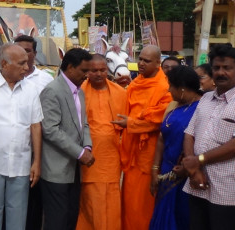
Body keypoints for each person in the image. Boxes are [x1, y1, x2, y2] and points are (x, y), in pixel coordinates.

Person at [0, 44, 43, 230]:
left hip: (21, 165)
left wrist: (36, 161)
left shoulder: (31, 89)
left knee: (18, 215)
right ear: (4, 63)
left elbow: (35, 126)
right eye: (21, 63)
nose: (27, 68)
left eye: (27, 63)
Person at [111, 45, 172, 230]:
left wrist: (130, 123)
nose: (141, 63)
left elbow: (157, 121)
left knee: (144, 204)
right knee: (129, 202)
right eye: (140, 59)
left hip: (151, 154)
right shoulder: (135, 83)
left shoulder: (165, 88)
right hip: (131, 152)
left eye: (147, 61)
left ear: (158, 63)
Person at [39, 48, 95, 230]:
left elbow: (84, 124)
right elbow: (50, 130)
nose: (87, 76)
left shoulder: (80, 92)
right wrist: (80, 153)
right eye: (84, 71)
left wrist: (87, 146)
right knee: (57, 220)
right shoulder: (52, 91)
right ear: (70, 67)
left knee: (71, 217)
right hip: (55, 169)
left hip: (74, 169)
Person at [181, 43, 235, 230]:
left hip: (227, 189)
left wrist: (198, 160)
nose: (221, 72)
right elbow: (189, 133)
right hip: (197, 183)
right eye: (217, 68)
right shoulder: (205, 98)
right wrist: (193, 167)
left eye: (227, 68)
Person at [76, 54, 126, 230]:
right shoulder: (78, 92)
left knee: (111, 197)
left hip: (111, 155)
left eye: (102, 70)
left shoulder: (120, 92)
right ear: (87, 72)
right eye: (94, 70)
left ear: (108, 70)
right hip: (87, 154)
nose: (98, 74)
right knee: (90, 199)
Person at [149, 65, 202, 230]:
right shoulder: (173, 106)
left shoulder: (202, 108)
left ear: (183, 88)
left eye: (172, 86)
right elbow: (161, 139)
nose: (169, 90)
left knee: (182, 217)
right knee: (163, 214)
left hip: (186, 173)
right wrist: (155, 170)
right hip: (166, 171)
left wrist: (188, 168)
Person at [14, 34, 52, 230]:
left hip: (38, 148)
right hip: (13, 149)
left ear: (35, 54)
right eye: (19, 50)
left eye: (27, 50)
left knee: (34, 199)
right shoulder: (5, 78)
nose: (23, 54)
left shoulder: (46, 80)